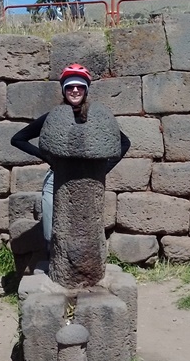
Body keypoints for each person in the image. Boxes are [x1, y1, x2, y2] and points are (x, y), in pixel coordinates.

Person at [10, 63, 130, 246]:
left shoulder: (95, 118)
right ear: (64, 90)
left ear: (86, 90)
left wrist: (104, 169)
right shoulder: (54, 118)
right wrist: (48, 158)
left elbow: (124, 142)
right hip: (56, 178)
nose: (75, 90)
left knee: (84, 232)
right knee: (52, 231)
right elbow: (18, 138)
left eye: (80, 86)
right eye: (70, 86)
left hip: (87, 181)